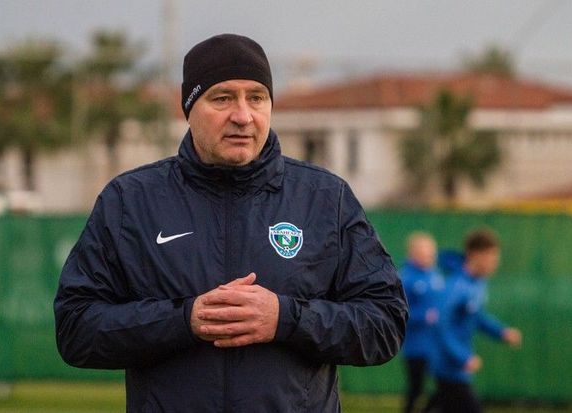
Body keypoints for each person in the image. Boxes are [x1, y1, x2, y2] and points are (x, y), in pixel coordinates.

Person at [53, 33, 409, 412]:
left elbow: (385, 322)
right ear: (189, 109)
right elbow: (76, 328)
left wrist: (286, 318)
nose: (243, 116)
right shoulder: (130, 201)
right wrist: (184, 320)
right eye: (222, 98)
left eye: (256, 97)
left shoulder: (325, 199)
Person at [425, 228, 522, 413]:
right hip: (448, 366)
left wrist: (501, 332)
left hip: (457, 369)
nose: (495, 263)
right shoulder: (456, 285)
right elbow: (439, 324)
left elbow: (476, 316)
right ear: (475, 255)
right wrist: (462, 356)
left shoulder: (477, 283)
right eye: (491, 258)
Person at [399, 232, 444, 413]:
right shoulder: (405, 278)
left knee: (446, 386)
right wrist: (424, 316)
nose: (428, 256)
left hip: (437, 345)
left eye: (431, 252)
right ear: (413, 253)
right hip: (415, 346)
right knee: (416, 389)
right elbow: (400, 314)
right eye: (424, 252)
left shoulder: (436, 276)